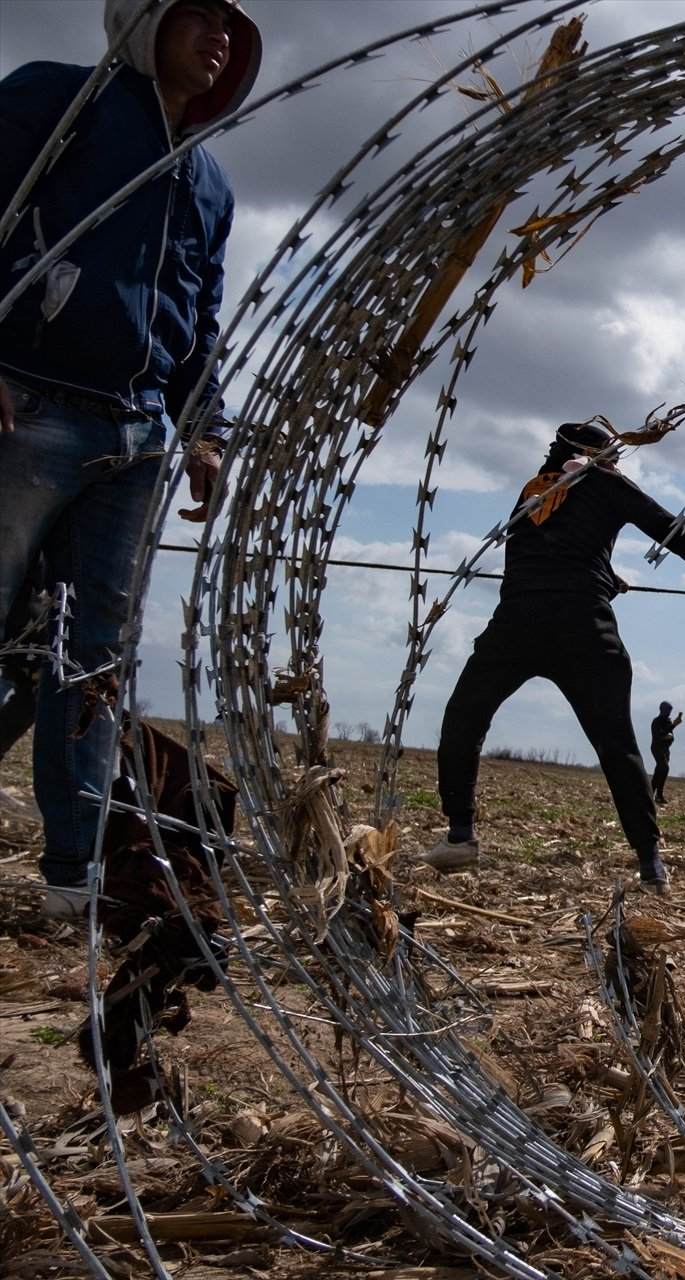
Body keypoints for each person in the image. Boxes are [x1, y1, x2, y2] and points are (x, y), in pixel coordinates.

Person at [0, 0, 263, 920]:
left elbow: (200, 323)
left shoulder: (208, 181)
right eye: (197, 16)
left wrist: (209, 428)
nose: (220, 36)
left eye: (231, 24)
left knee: (90, 664)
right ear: (143, 22)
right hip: (26, 401)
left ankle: (74, 872)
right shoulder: (54, 104)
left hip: (137, 436)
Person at [423, 421, 685, 892]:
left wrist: (605, 575)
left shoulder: (535, 489)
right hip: (580, 626)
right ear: (599, 456)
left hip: (518, 621)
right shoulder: (602, 482)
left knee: (464, 717)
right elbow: (671, 531)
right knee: (616, 745)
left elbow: (558, 547)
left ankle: (461, 834)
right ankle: (651, 865)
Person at [648, 701, 681, 803]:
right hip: (657, 748)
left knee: (659, 771)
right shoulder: (656, 721)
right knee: (664, 768)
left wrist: (671, 730)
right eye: (667, 710)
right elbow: (659, 735)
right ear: (662, 709)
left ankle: (651, 794)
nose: (669, 712)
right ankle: (659, 794)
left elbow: (669, 734)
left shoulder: (668, 721)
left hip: (666, 749)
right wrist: (674, 725)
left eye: (670, 711)